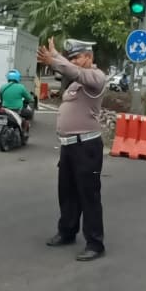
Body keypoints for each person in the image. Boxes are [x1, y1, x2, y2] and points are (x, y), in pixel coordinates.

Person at [37, 38, 107, 261]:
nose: (75, 61)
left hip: (87, 146)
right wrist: (56, 55)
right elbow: (73, 71)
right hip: (69, 146)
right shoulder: (76, 82)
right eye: (72, 58)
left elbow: (75, 72)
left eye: (78, 57)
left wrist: (54, 61)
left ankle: (95, 243)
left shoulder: (95, 77)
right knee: (67, 192)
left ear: (89, 57)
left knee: (89, 196)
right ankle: (67, 232)